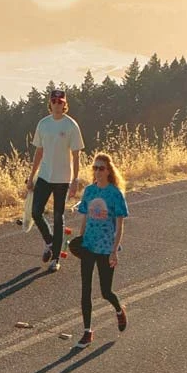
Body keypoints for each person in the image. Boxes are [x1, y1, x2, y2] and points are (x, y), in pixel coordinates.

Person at [72, 153, 128, 348]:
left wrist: (114, 251)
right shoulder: (89, 191)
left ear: (109, 171)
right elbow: (85, 218)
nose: (97, 171)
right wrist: (80, 240)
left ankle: (119, 310)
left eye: (101, 168)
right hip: (88, 245)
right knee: (85, 289)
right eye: (95, 168)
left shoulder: (115, 194)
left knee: (105, 291)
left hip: (106, 247)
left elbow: (120, 225)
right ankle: (87, 332)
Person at [26, 87, 84, 272]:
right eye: (54, 101)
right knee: (36, 212)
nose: (57, 104)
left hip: (62, 179)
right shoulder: (43, 124)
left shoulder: (71, 125)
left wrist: (75, 180)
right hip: (44, 176)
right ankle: (50, 242)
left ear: (65, 104)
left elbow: (76, 155)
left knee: (59, 217)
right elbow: (39, 151)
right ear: (49, 104)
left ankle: (56, 258)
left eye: (61, 102)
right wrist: (31, 176)